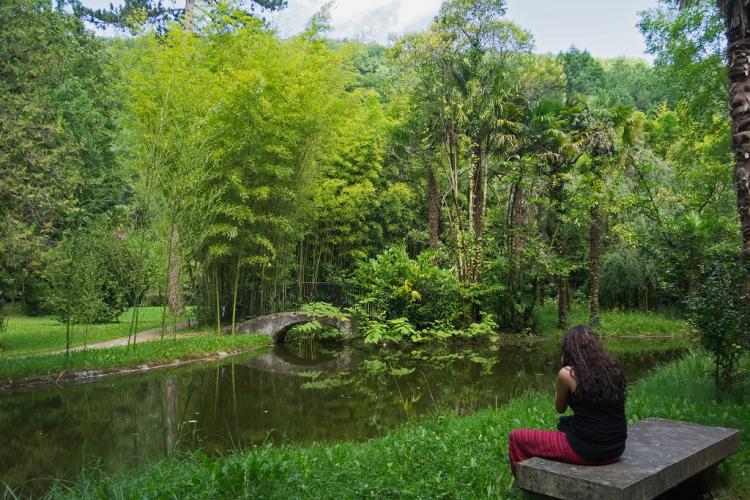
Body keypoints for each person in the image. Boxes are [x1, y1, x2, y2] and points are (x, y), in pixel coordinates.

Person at [507, 325, 627, 476]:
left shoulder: (567, 374)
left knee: (516, 437)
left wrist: (560, 383)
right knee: (564, 423)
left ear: (568, 350)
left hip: (588, 451)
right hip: (616, 448)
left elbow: (560, 408)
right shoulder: (613, 369)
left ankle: (528, 488)